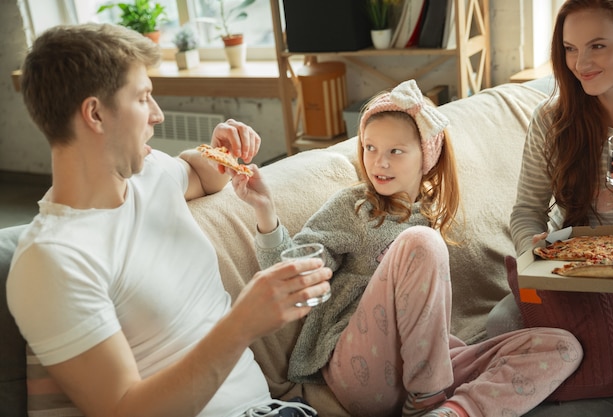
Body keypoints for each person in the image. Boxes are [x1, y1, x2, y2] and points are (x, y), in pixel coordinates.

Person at [6, 23, 331, 417]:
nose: (158, 115)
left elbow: (201, 176)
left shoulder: (148, 171)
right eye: (143, 98)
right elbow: (123, 410)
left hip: (272, 409)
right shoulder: (52, 259)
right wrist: (243, 323)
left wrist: (221, 151)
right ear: (95, 114)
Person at [233, 79, 582, 417]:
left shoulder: (429, 213)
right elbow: (293, 274)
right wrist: (265, 211)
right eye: (370, 148)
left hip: (421, 369)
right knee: (422, 242)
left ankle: (455, 411)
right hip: (359, 372)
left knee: (564, 347)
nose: (379, 162)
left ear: (426, 157)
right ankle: (428, 398)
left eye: (395, 151)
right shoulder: (354, 207)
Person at [507, 0, 613, 401]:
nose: (580, 63)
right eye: (570, 48)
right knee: (499, 323)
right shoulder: (552, 121)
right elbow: (526, 211)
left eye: (597, 46)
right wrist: (533, 248)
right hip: (575, 268)